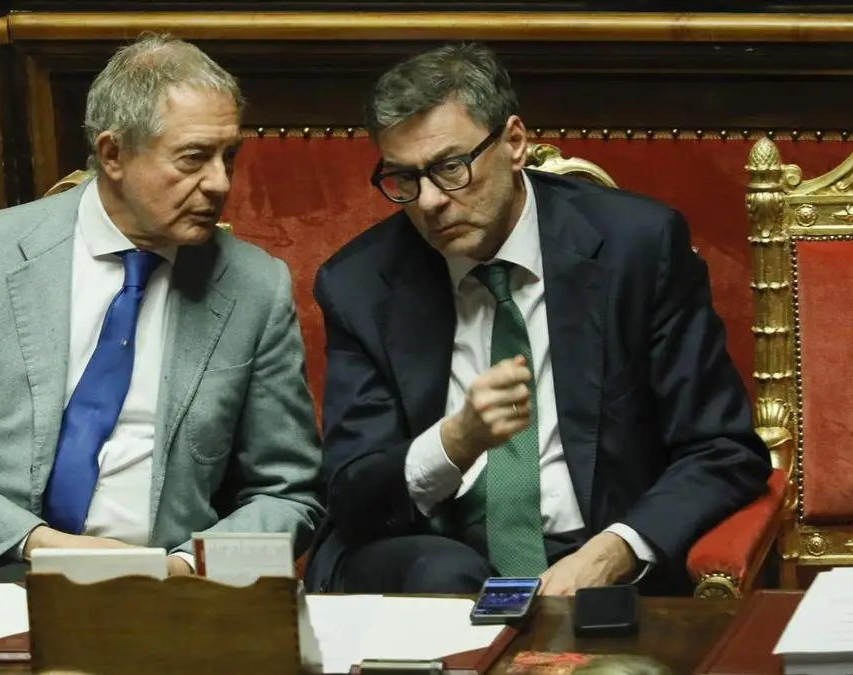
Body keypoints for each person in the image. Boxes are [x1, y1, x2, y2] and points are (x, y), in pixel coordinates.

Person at [304, 42, 770, 596]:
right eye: (404, 178)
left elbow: (721, 450)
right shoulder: (361, 284)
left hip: (593, 550)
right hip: (434, 560)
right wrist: (454, 441)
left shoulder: (636, 249)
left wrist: (617, 549)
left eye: (451, 168)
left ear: (514, 142)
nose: (428, 202)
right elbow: (352, 493)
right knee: (446, 575)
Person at [0, 33, 324, 583]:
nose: (219, 183)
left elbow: (289, 495)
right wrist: (41, 544)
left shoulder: (254, 287)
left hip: (165, 593)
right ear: (113, 154)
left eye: (229, 157)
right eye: (194, 158)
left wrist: (185, 567)